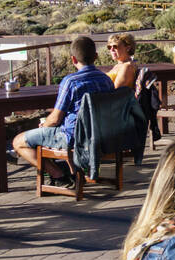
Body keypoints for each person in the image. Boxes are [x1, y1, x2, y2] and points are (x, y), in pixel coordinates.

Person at [11, 36, 114, 185]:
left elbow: (55, 119)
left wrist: (44, 126)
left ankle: (58, 175)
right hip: (101, 136)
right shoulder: (106, 80)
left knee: (18, 142)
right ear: (96, 57)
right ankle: (72, 172)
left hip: (73, 139)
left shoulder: (71, 82)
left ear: (73, 59)